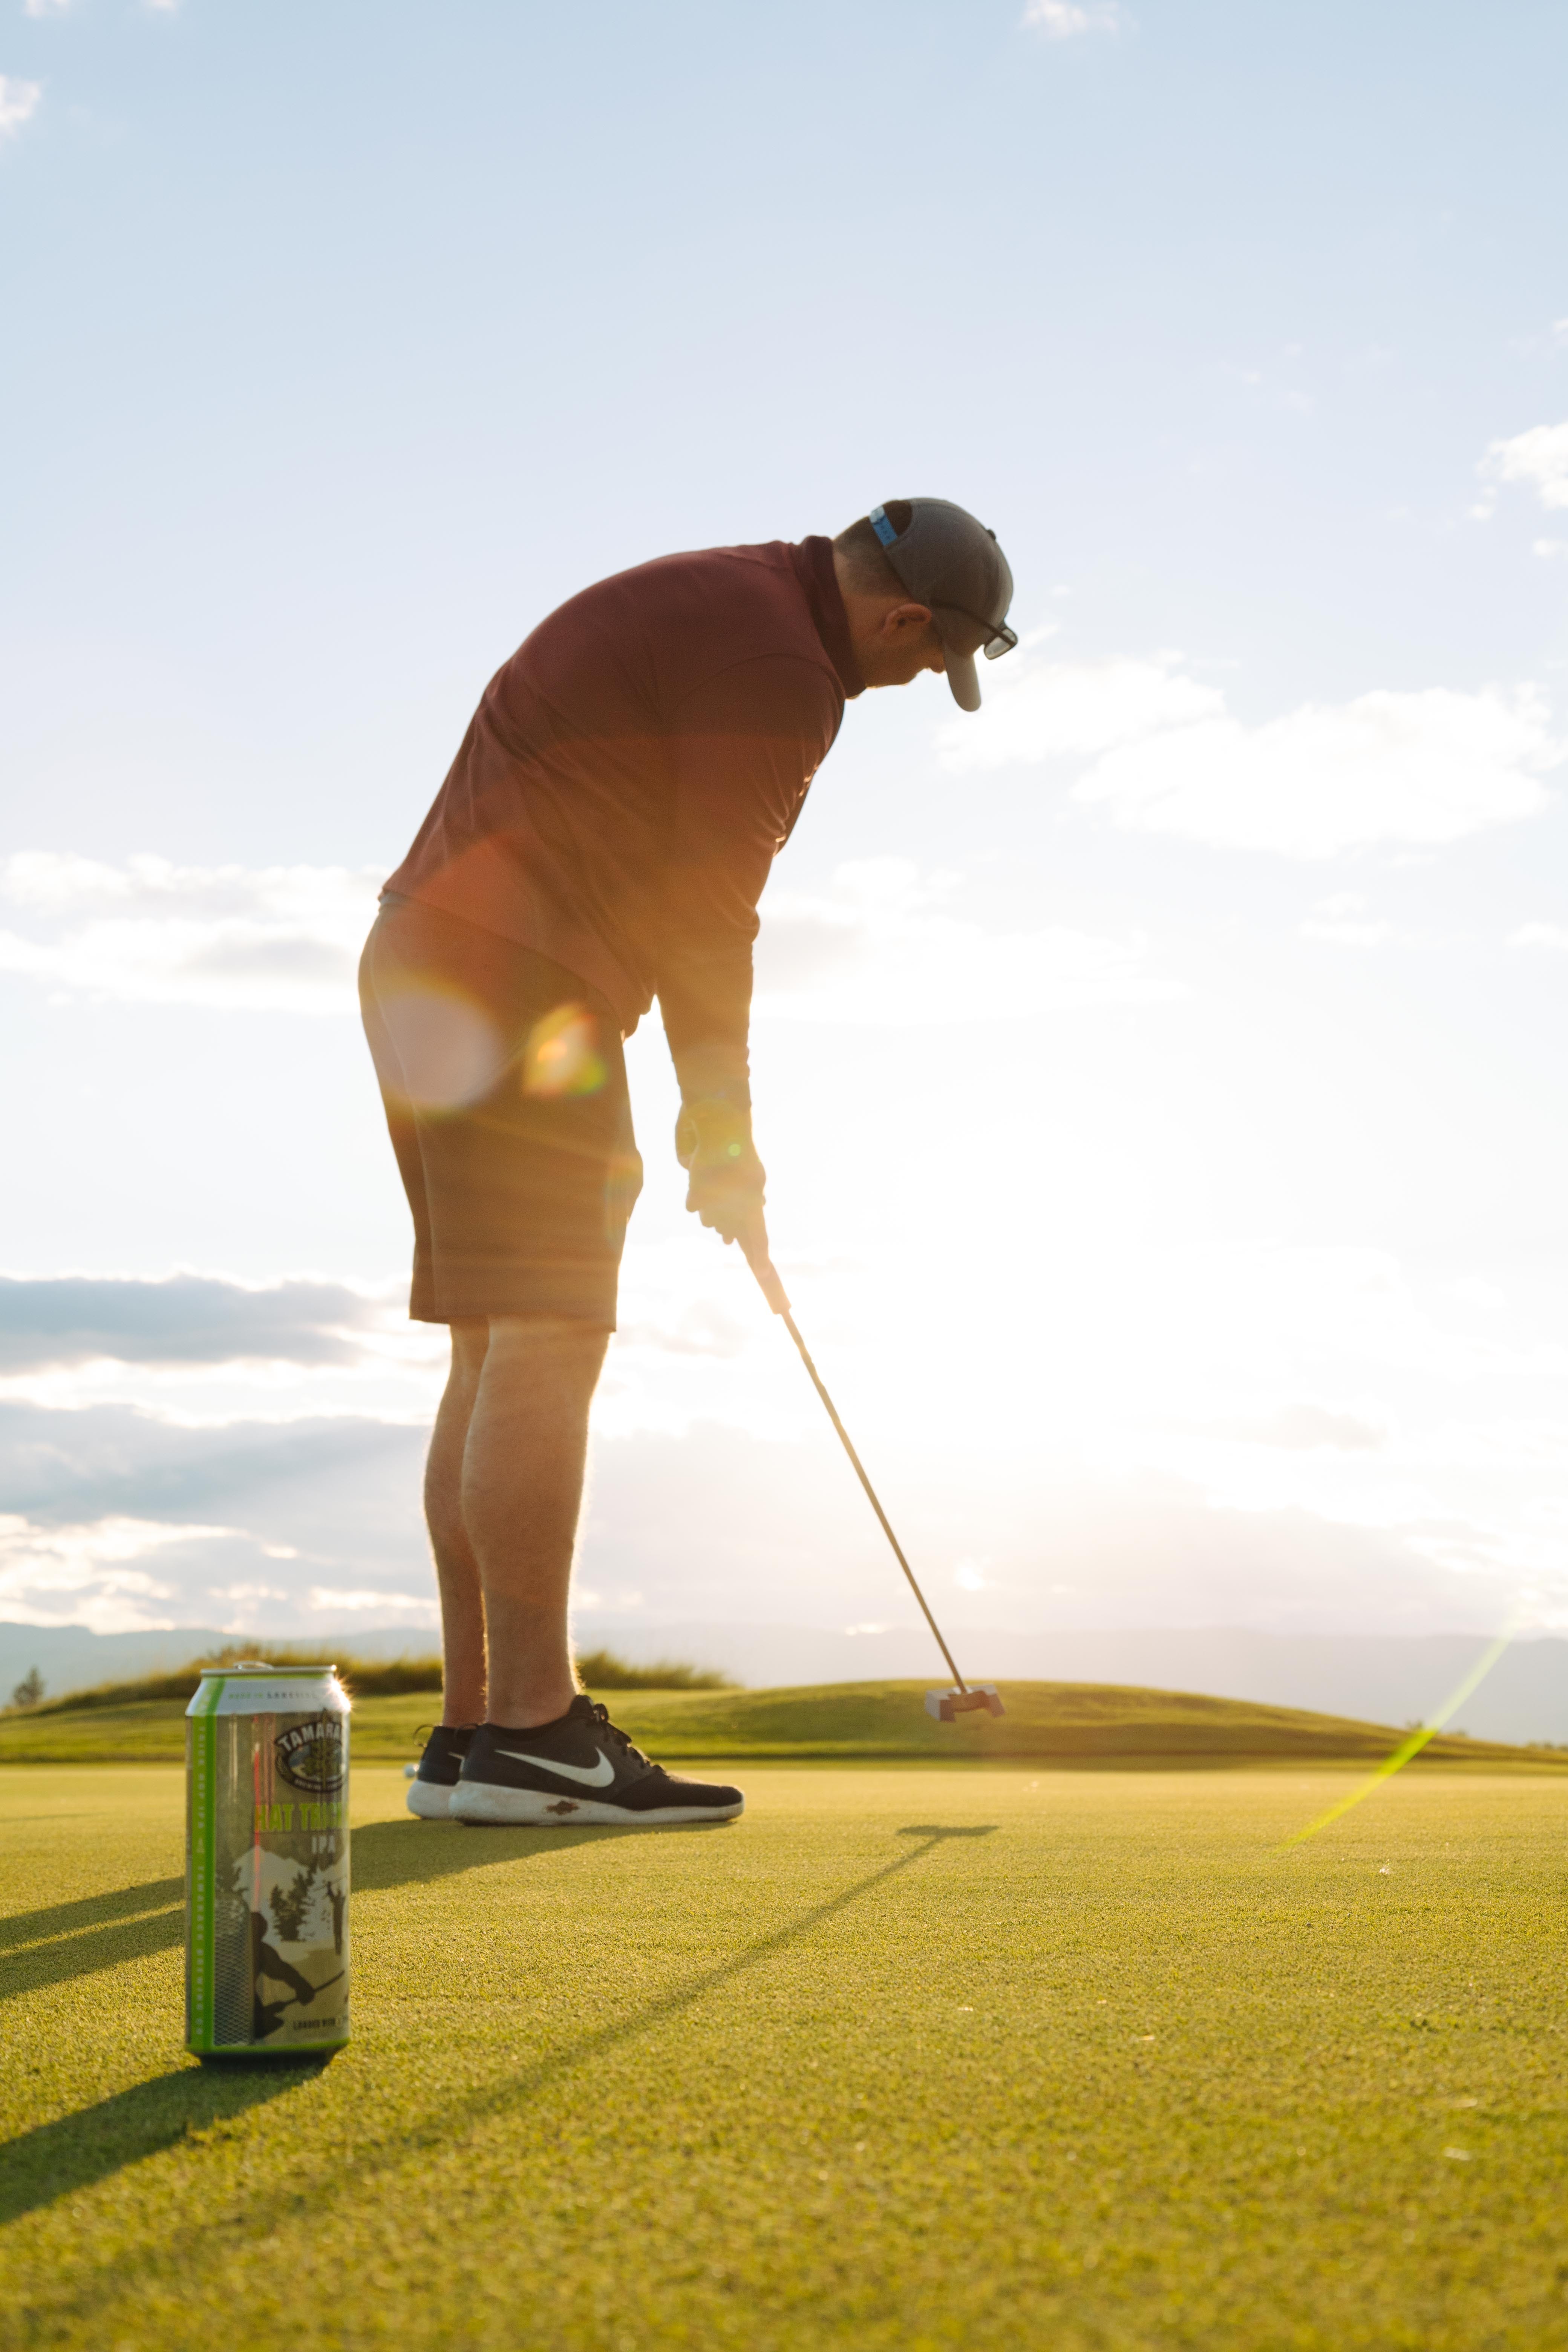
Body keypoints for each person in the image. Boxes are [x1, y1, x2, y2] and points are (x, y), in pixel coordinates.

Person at [361, 499, 1016, 1827]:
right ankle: (536, 1736)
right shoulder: (786, 667)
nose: (909, 683)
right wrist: (725, 1128)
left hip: (428, 959)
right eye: (926, 661)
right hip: (520, 980)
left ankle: (475, 1732)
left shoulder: (732, 591)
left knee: (493, 1342)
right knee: (548, 1330)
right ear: (903, 618)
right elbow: (712, 914)